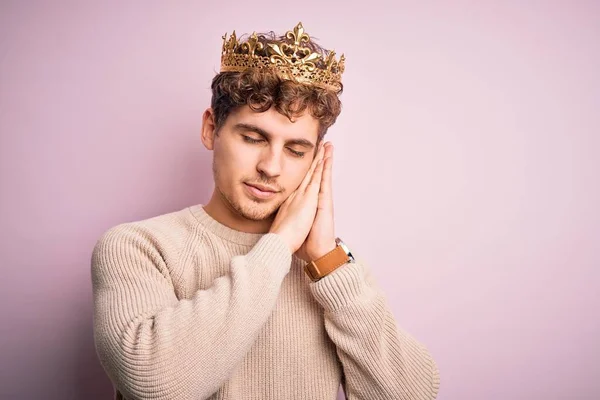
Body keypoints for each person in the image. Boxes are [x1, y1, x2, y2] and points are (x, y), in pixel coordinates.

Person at [91, 22, 440, 400]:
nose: (271, 167)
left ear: (316, 158)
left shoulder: (332, 268)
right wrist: (279, 245)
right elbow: (155, 383)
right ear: (211, 129)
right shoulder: (137, 247)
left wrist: (326, 262)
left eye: (295, 150)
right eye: (253, 138)